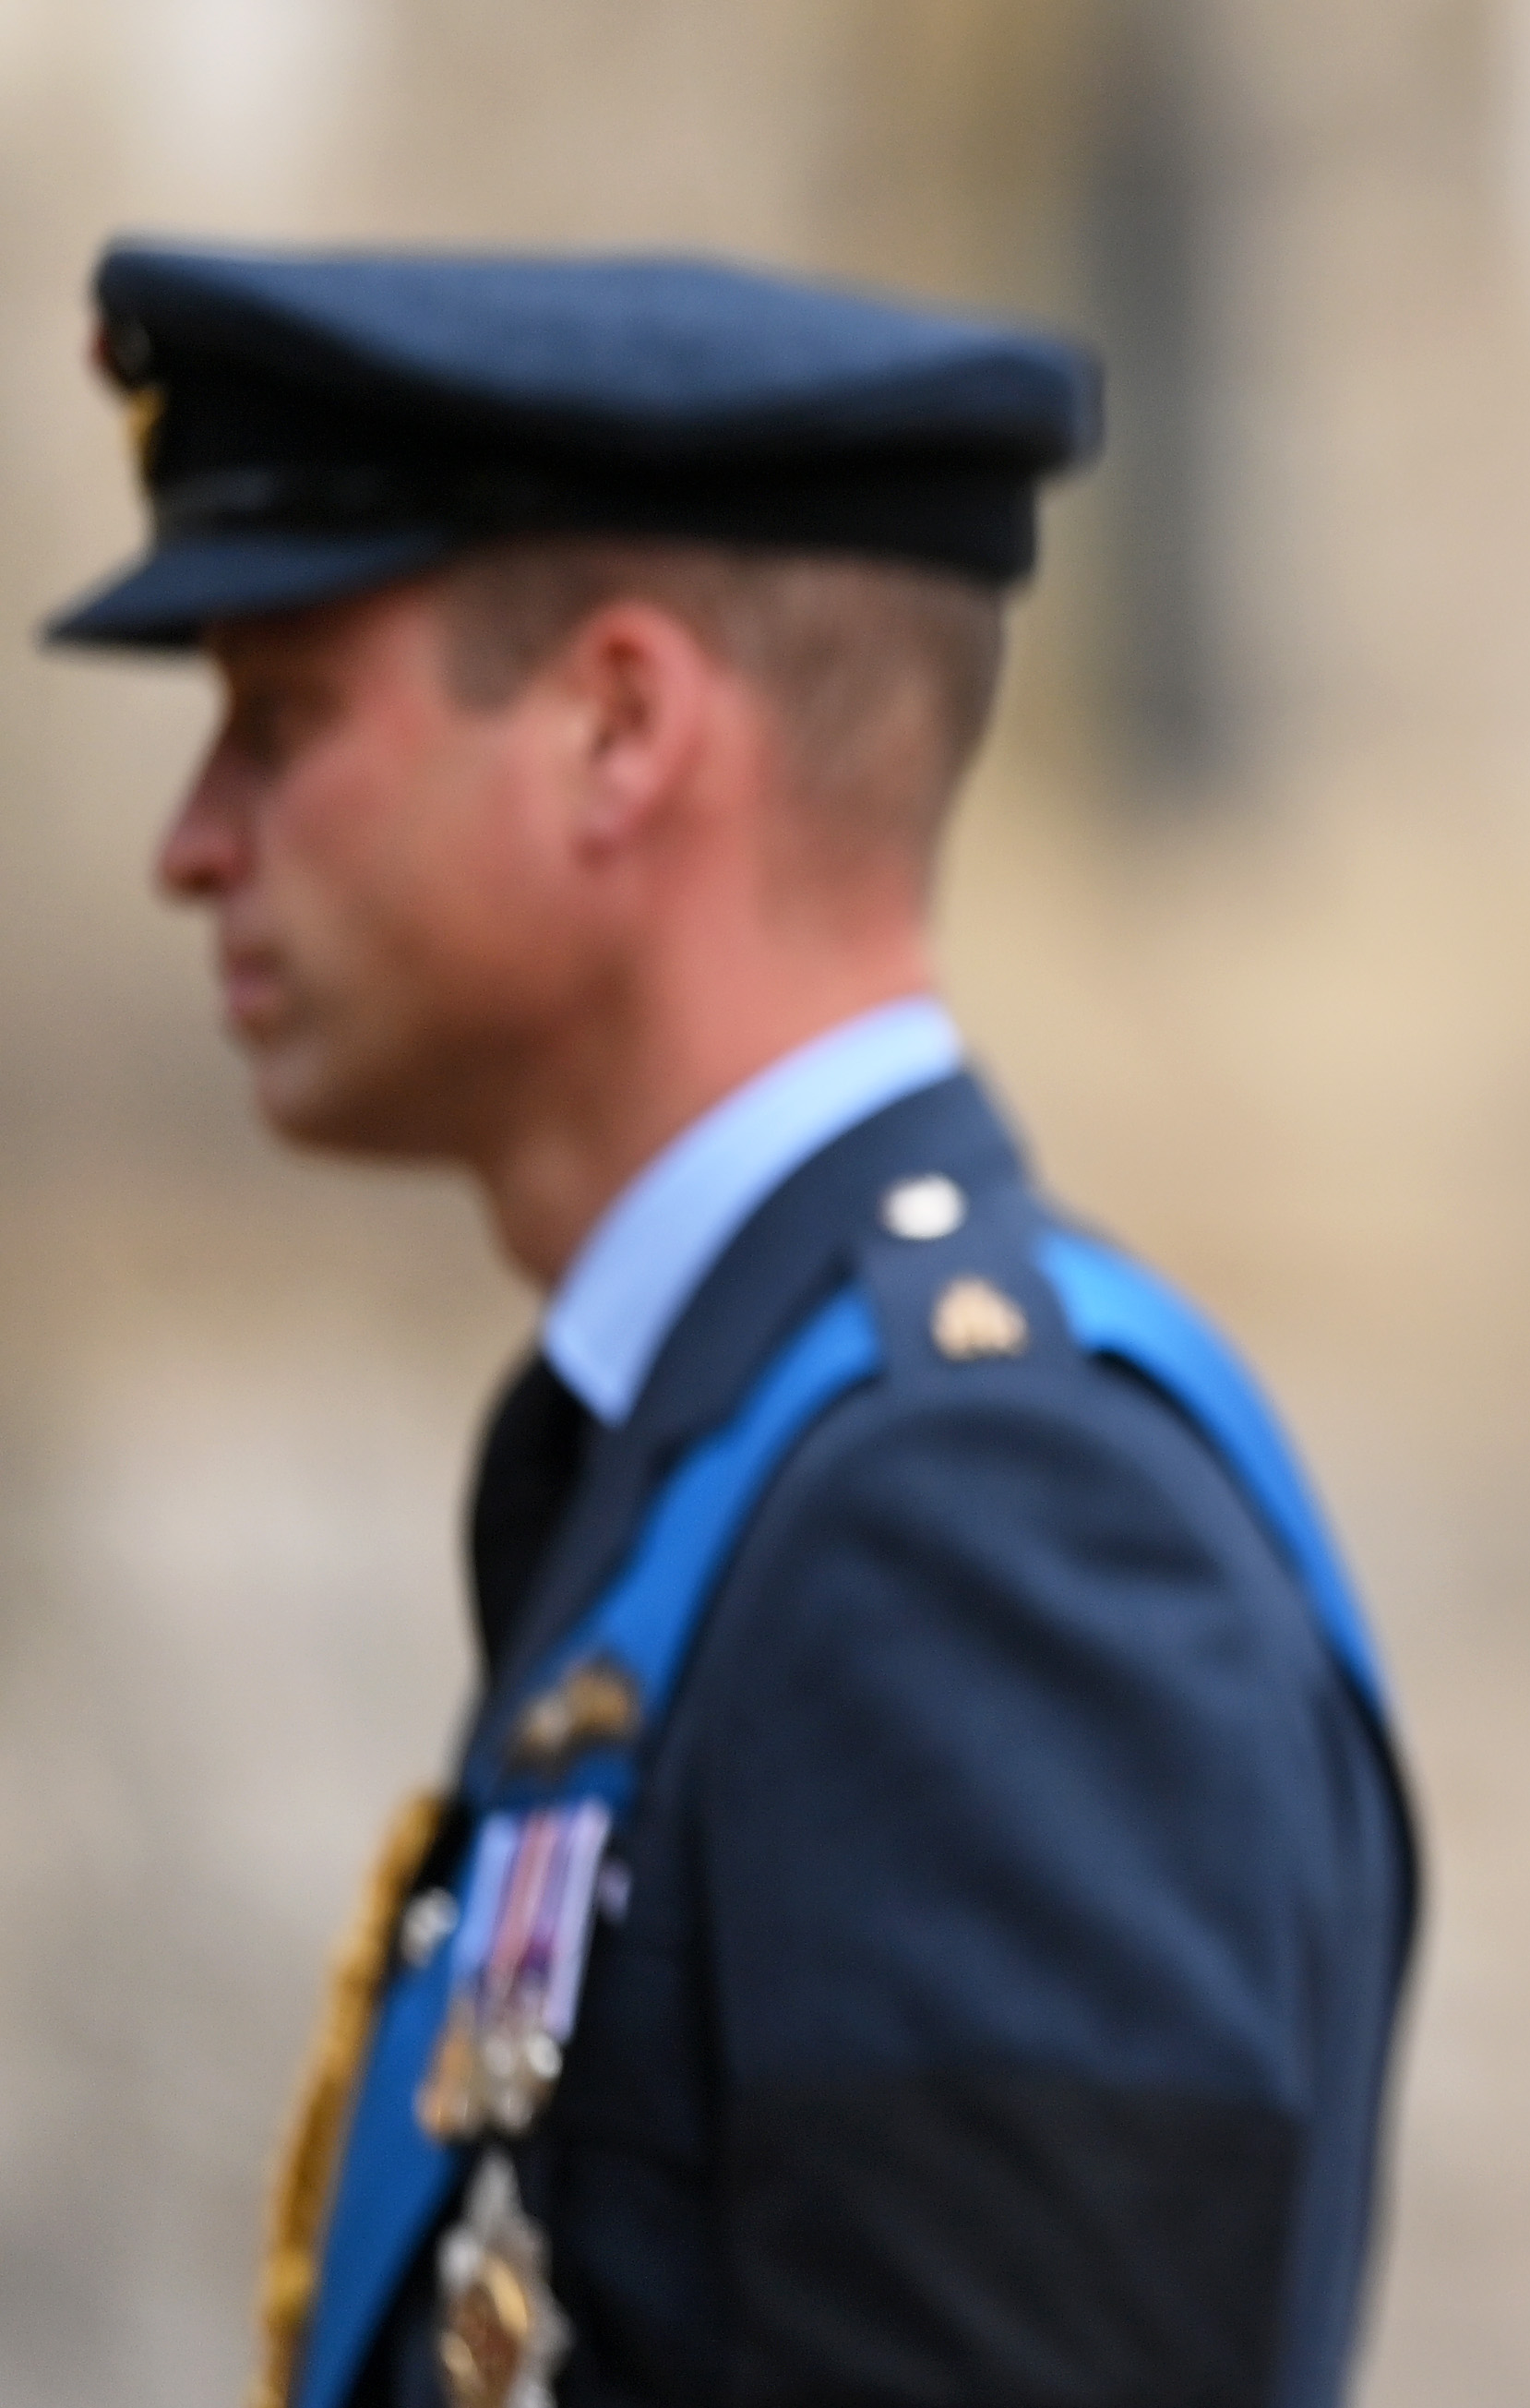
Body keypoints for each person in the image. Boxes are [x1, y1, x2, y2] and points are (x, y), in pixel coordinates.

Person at [42, 244, 1416, 2408]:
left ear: (617, 726)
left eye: (278, 718)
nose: (189, 846)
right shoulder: (734, 1451)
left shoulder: (978, 1524)